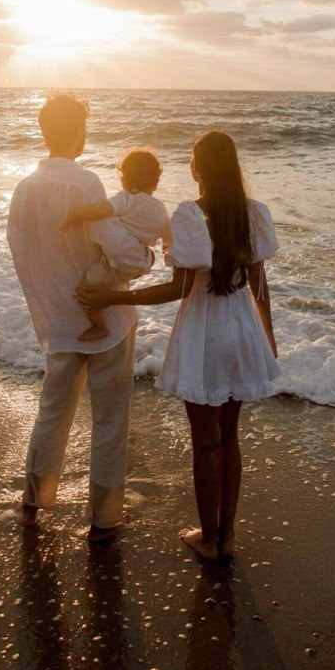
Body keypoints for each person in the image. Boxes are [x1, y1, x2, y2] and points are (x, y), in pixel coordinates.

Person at [79, 130, 280, 560]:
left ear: (196, 168)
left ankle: (209, 539)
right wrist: (269, 335)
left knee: (205, 442)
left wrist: (113, 296)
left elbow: (180, 287)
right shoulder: (254, 214)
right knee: (230, 438)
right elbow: (260, 282)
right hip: (243, 327)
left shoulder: (191, 215)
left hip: (205, 331)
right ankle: (228, 537)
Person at [7, 94, 152, 542]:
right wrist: (145, 257)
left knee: (52, 412)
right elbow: (115, 245)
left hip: (59, 319)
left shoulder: (23, 188)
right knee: (109, 420)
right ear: (77, 133)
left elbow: (21, 251)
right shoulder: (85, 183)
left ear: (45, 131)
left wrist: (49, 302)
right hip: (107, 317)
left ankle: (33, 501)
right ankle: (104, 519)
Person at [61, 147, 171, 342]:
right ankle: (114, 294)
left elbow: (103, 210)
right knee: (116, 276)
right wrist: (165, 247)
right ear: (156, 181)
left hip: (118, 262)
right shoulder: (161, 209)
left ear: (125, 178)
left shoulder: (126, 199)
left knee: (85, 290)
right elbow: (168, 238)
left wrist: (80, 213)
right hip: (142, 262)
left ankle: (99, 326)